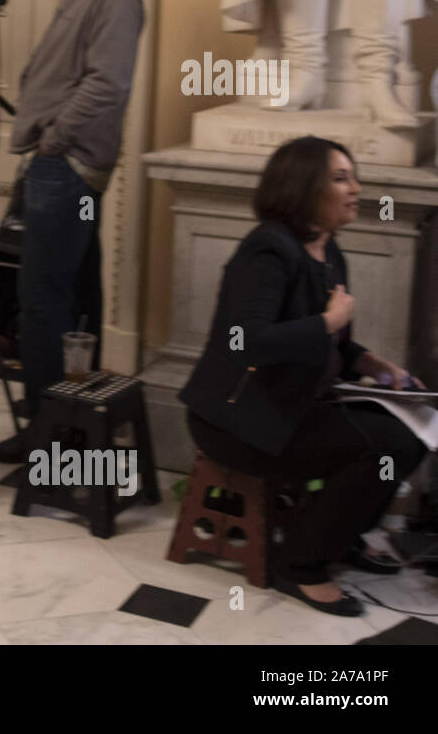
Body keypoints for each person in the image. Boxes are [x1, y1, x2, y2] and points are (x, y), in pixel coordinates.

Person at [180, 136, 427, 616]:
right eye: (341, 178)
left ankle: (341, 536)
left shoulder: (329, 252)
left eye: (354, 177)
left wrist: (374, 364)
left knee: (411, 436)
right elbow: (246, 340)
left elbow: (329, 341)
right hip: (238, 422)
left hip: (293, 405)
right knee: (387, 444)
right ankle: (302, 565)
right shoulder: (267, 251)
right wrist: (329, 323)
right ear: (302, 186)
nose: (356, 188)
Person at [0, 0, 144, 463]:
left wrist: (53, 141)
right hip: (61, 165)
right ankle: (72, 426)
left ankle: (46, 433)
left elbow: (108, 83)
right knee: (75, 298)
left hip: (67, 165)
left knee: (41, 302)